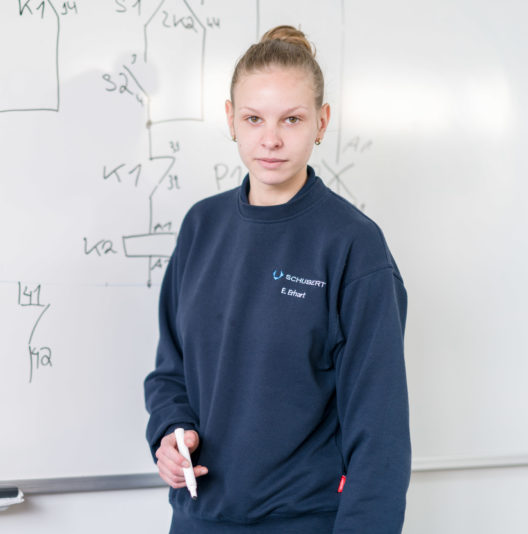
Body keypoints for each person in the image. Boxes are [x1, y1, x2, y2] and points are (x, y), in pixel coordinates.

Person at [144, 25, 410, 533]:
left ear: (321, 122)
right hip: (198, 518)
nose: (270, 138)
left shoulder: (353, 245)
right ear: (230, 119)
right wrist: (171, 434)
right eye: (253, 118)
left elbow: (380, 430)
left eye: (291, 118)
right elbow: (170, 372)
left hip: (305, 521)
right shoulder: (202, 226)